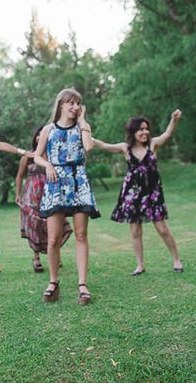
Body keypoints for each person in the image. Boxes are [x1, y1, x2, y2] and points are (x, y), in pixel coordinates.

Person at [92, 110, 184, 275]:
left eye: (146, 129)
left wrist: (173, 119)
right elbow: (103, 145)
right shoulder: (125, 148)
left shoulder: (153, 144)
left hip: (152, 193)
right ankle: (140, 265)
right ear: (133, 132)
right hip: (132, 194)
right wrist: (85, 133)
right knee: (135, 231)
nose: (145, 132)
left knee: (162, 229)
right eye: (141, 129)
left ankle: (176, 259)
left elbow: (168, 133)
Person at [33, 88, 100, 305]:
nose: (75, 107)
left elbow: (88, 147)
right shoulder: (48, 129)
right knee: (53, 239)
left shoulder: (83, 127)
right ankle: (53, 281)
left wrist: (83, 122)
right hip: (56, 183)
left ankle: (82, 284)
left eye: (78, 103)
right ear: (61, 104)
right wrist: (48, 164)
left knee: (81, 235)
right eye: (71, 103)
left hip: (78, 181)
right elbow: (36, 156)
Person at [15, 125, 72, 272]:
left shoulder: (54, 156)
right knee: (34, 225)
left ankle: (55, 255)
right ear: (35, 138)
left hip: (49, 195)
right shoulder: (28, 157)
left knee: (54, 225)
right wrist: (17, 194)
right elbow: (20, 176)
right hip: (31, 197)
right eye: (38, 134)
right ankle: (36, 258)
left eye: (44, 134)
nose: (41, 137)